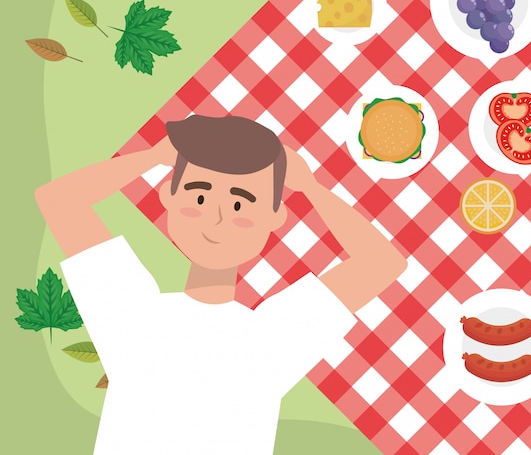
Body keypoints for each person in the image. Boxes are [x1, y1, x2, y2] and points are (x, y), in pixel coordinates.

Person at [36, 114, 407, 455]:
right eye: (199, 196)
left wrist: (151, 158)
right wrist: (308, 186)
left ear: (275, 217)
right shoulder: (267, 339)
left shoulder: (141, 316)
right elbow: (57, 200)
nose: (214, 219)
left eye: (239, 205)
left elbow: (382, 263)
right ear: (169, 194)